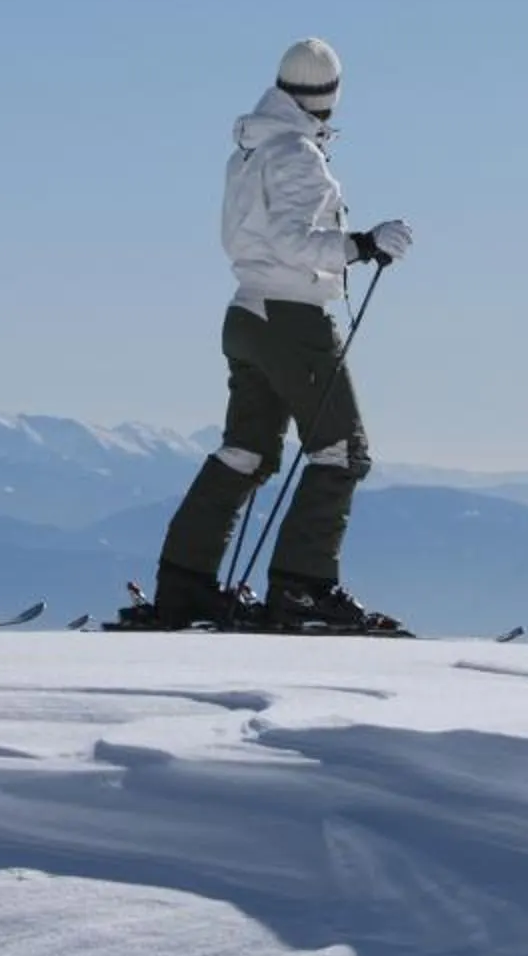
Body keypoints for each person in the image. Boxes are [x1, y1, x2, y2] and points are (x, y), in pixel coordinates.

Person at [146, 38, 414, 629]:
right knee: (342, 450)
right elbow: (294, 243)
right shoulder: (295, 153)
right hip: (292, 317)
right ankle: (303, 588)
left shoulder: (248, 150)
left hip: (247, 313)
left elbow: (255, 239)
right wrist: (364, 245)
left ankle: (184, 585)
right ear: (333, 97)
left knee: (248, 452)